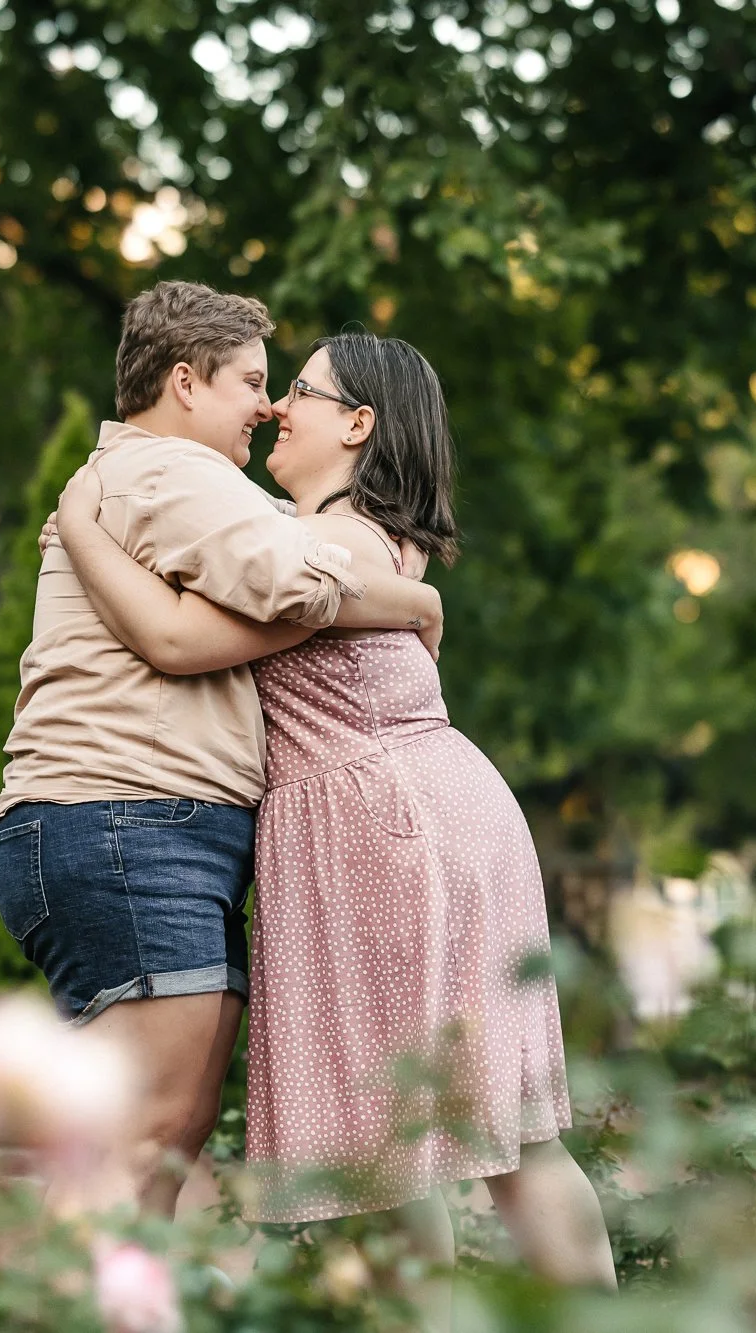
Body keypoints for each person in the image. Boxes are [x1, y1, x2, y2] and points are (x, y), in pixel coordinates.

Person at [48, 330, 618, 1295]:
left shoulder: (323, 545)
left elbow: (176, 636)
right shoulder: (350, 540)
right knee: (504, 1137)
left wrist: (81, 525)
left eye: (298, 391)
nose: (274, 407)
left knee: (387, 1153)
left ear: (358, 424)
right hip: (441, 810)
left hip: (378, 825)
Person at [0, 283, 445, 1219]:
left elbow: (265, 570)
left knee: (162, 1137)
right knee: (145, 1135)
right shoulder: (171, 475)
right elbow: (291, 580)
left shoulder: (159, 487)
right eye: (252, 381)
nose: (269, 405)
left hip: (141, 827)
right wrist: (414, 599)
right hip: (126, 820)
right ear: (186, 383)